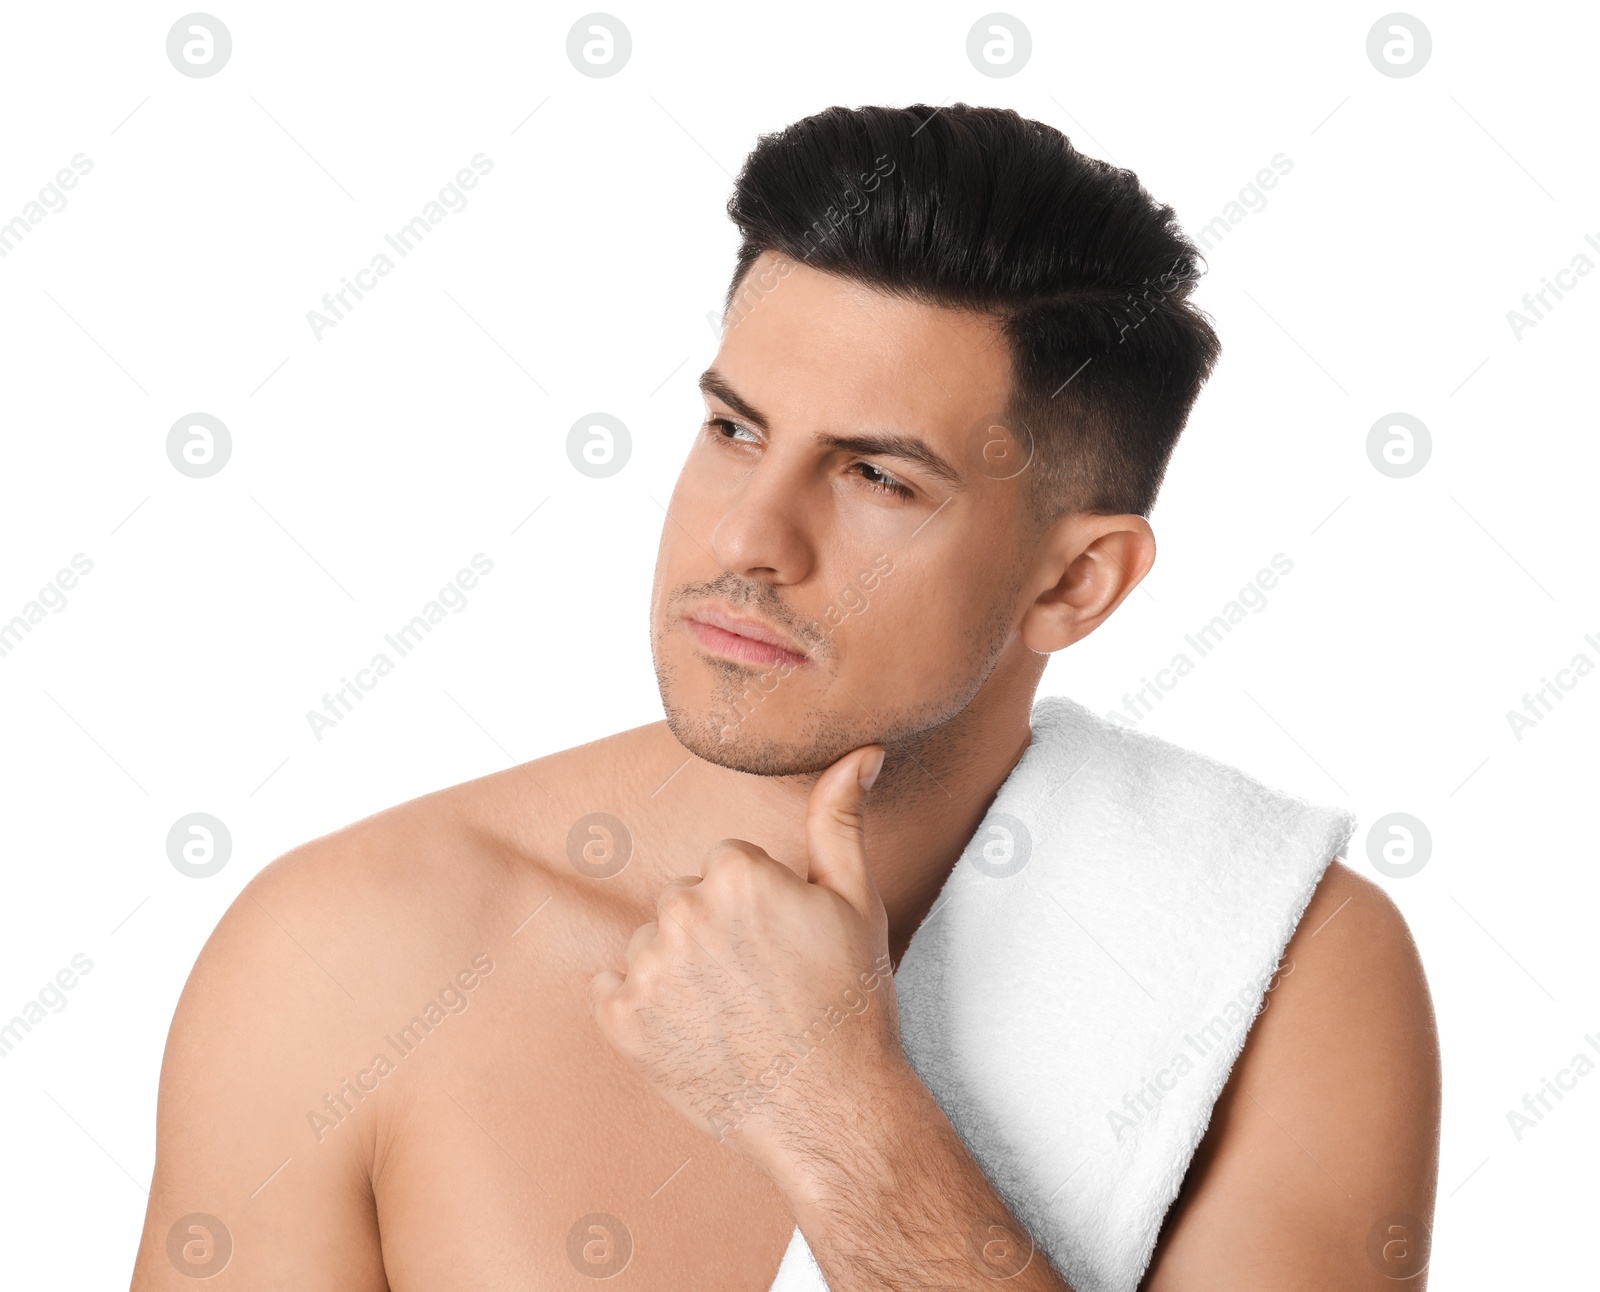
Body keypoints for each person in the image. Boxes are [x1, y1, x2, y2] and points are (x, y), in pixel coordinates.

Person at [130, 104, 1440, 1289]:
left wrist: (831, 1105)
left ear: (1077, 584)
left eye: (877, 478)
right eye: (735, 430)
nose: (747, 538)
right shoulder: (349, 953)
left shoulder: (1278, 970)